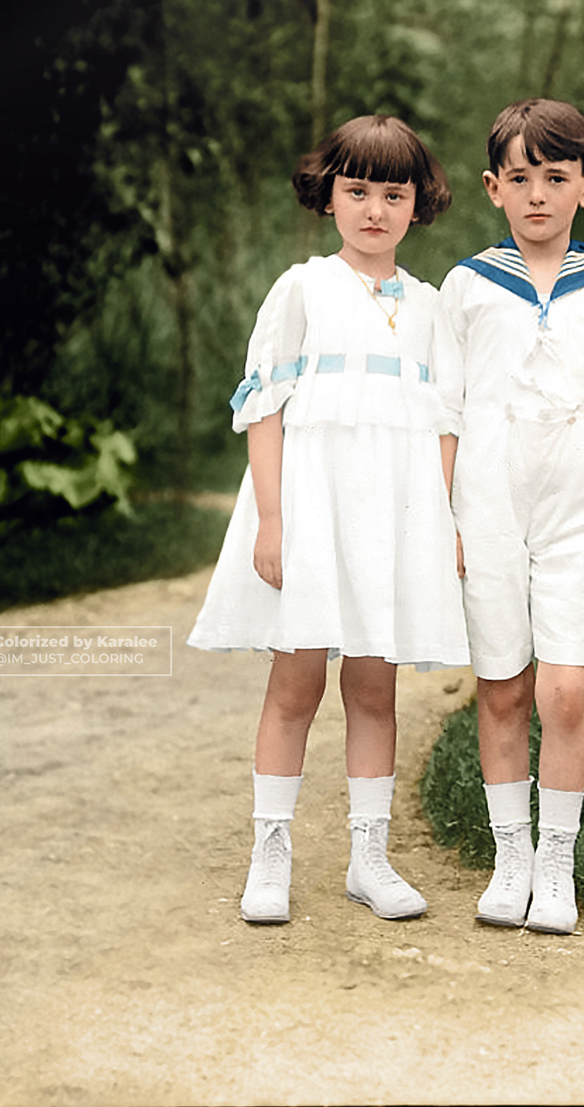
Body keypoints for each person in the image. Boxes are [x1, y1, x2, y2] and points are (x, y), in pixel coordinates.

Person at [188, 114, 470, 925]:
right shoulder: (302, 287)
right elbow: (265, 408)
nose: (375, 209)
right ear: (329, 196)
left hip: (392, 515)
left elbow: (444, 423)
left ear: (419, 203)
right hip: (311, 507)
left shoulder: (427, 306)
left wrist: (442, 520)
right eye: (358, 191)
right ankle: (270, 851)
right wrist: (272, 518)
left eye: (394, 192)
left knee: (374, 687)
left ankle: (369, 857)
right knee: (296, 681)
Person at [433, 98, 584, 934]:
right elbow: (446, 413)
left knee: (564, 690)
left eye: (555, 178)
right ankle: (510, 856)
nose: (537, 195)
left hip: (578, 513)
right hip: (487, 507)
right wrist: (446, 520)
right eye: (519, 178)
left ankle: (557, 863)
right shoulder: (469, 286)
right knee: (503, 687)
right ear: (493, 187)